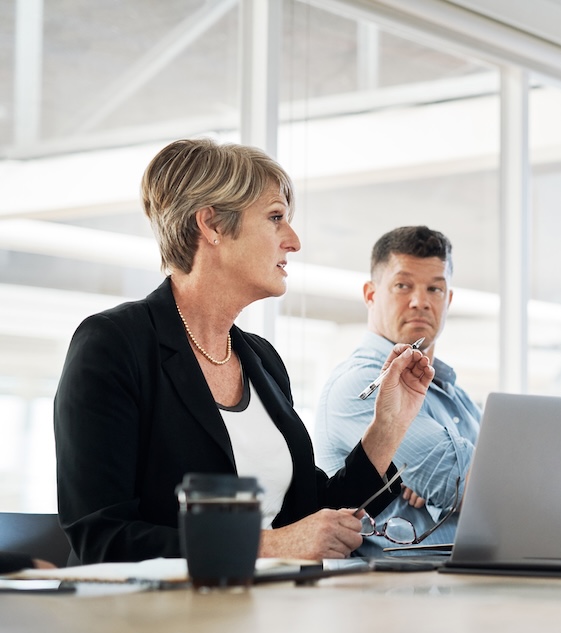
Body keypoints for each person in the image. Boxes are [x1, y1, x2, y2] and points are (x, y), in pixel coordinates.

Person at [54, 138, 434, 565]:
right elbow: (102, 539)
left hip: (269, 612)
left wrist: (389, 426)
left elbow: (308, 516)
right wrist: (267, 546)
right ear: (212, 226)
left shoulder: (261, 360)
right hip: (154, 622)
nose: (293, 241)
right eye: (276, 218)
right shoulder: (112, 345)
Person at [315, 226, 479, 555]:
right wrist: (466, 477)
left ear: (448, 300)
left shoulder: (455, 394)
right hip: (399, 594)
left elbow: (495, 477)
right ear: (371, 294)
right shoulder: (360, 384)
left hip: (472, 581)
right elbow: (480, 488)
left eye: (435, 288)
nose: (420, 301)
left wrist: (467, 476)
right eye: (403, 286)